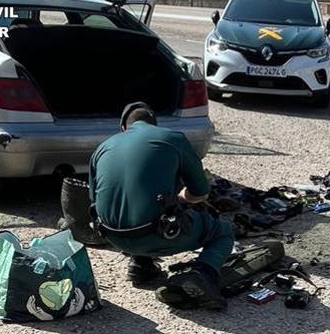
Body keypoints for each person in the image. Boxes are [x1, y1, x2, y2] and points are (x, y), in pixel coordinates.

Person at [88, 102, 234, 310]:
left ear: (123, 128)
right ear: (154, 124)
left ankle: (141, 266)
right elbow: (200, 193)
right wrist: (182, 197)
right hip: (159, 235)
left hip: (113, 237)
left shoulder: (102, 148)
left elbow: (95, 201)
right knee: (224, 231)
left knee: (135, 202)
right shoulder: (172, 139)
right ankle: (203, 275)